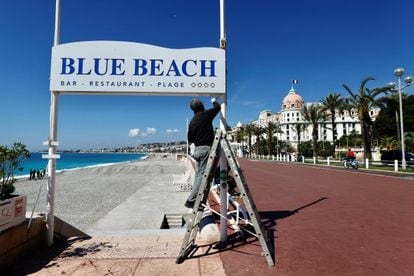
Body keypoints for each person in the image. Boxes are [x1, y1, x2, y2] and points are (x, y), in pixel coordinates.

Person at [184, 97, 221, 208]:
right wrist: (214, 100)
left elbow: (190, 138)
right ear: (201, 106)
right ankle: (191, 200)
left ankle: (194, 199)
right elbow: (218, 107)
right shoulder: (205, 114)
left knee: (199, 175)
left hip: (198, 150)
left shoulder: (192, 122)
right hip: (206, 149)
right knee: (201, 175)